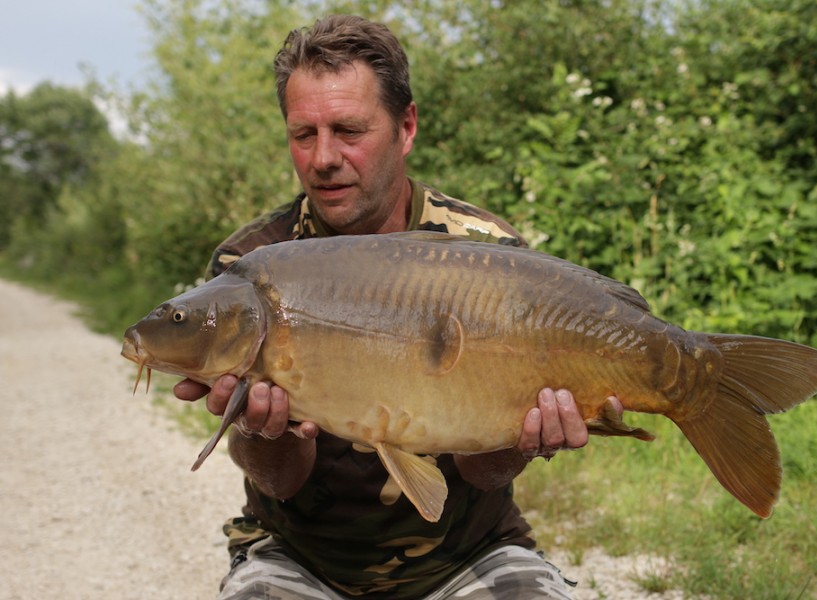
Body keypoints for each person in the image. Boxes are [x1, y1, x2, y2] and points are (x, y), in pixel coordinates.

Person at [174, 14, 613, 599]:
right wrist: (265, 431)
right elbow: (279, 480)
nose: (324, 157)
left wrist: (522, 435)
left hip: (468, 553)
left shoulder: (488, 256)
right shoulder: (252, 265)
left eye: (349, 130)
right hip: (299, 556)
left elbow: (483, 474)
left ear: (406, 128)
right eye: (304, 134)